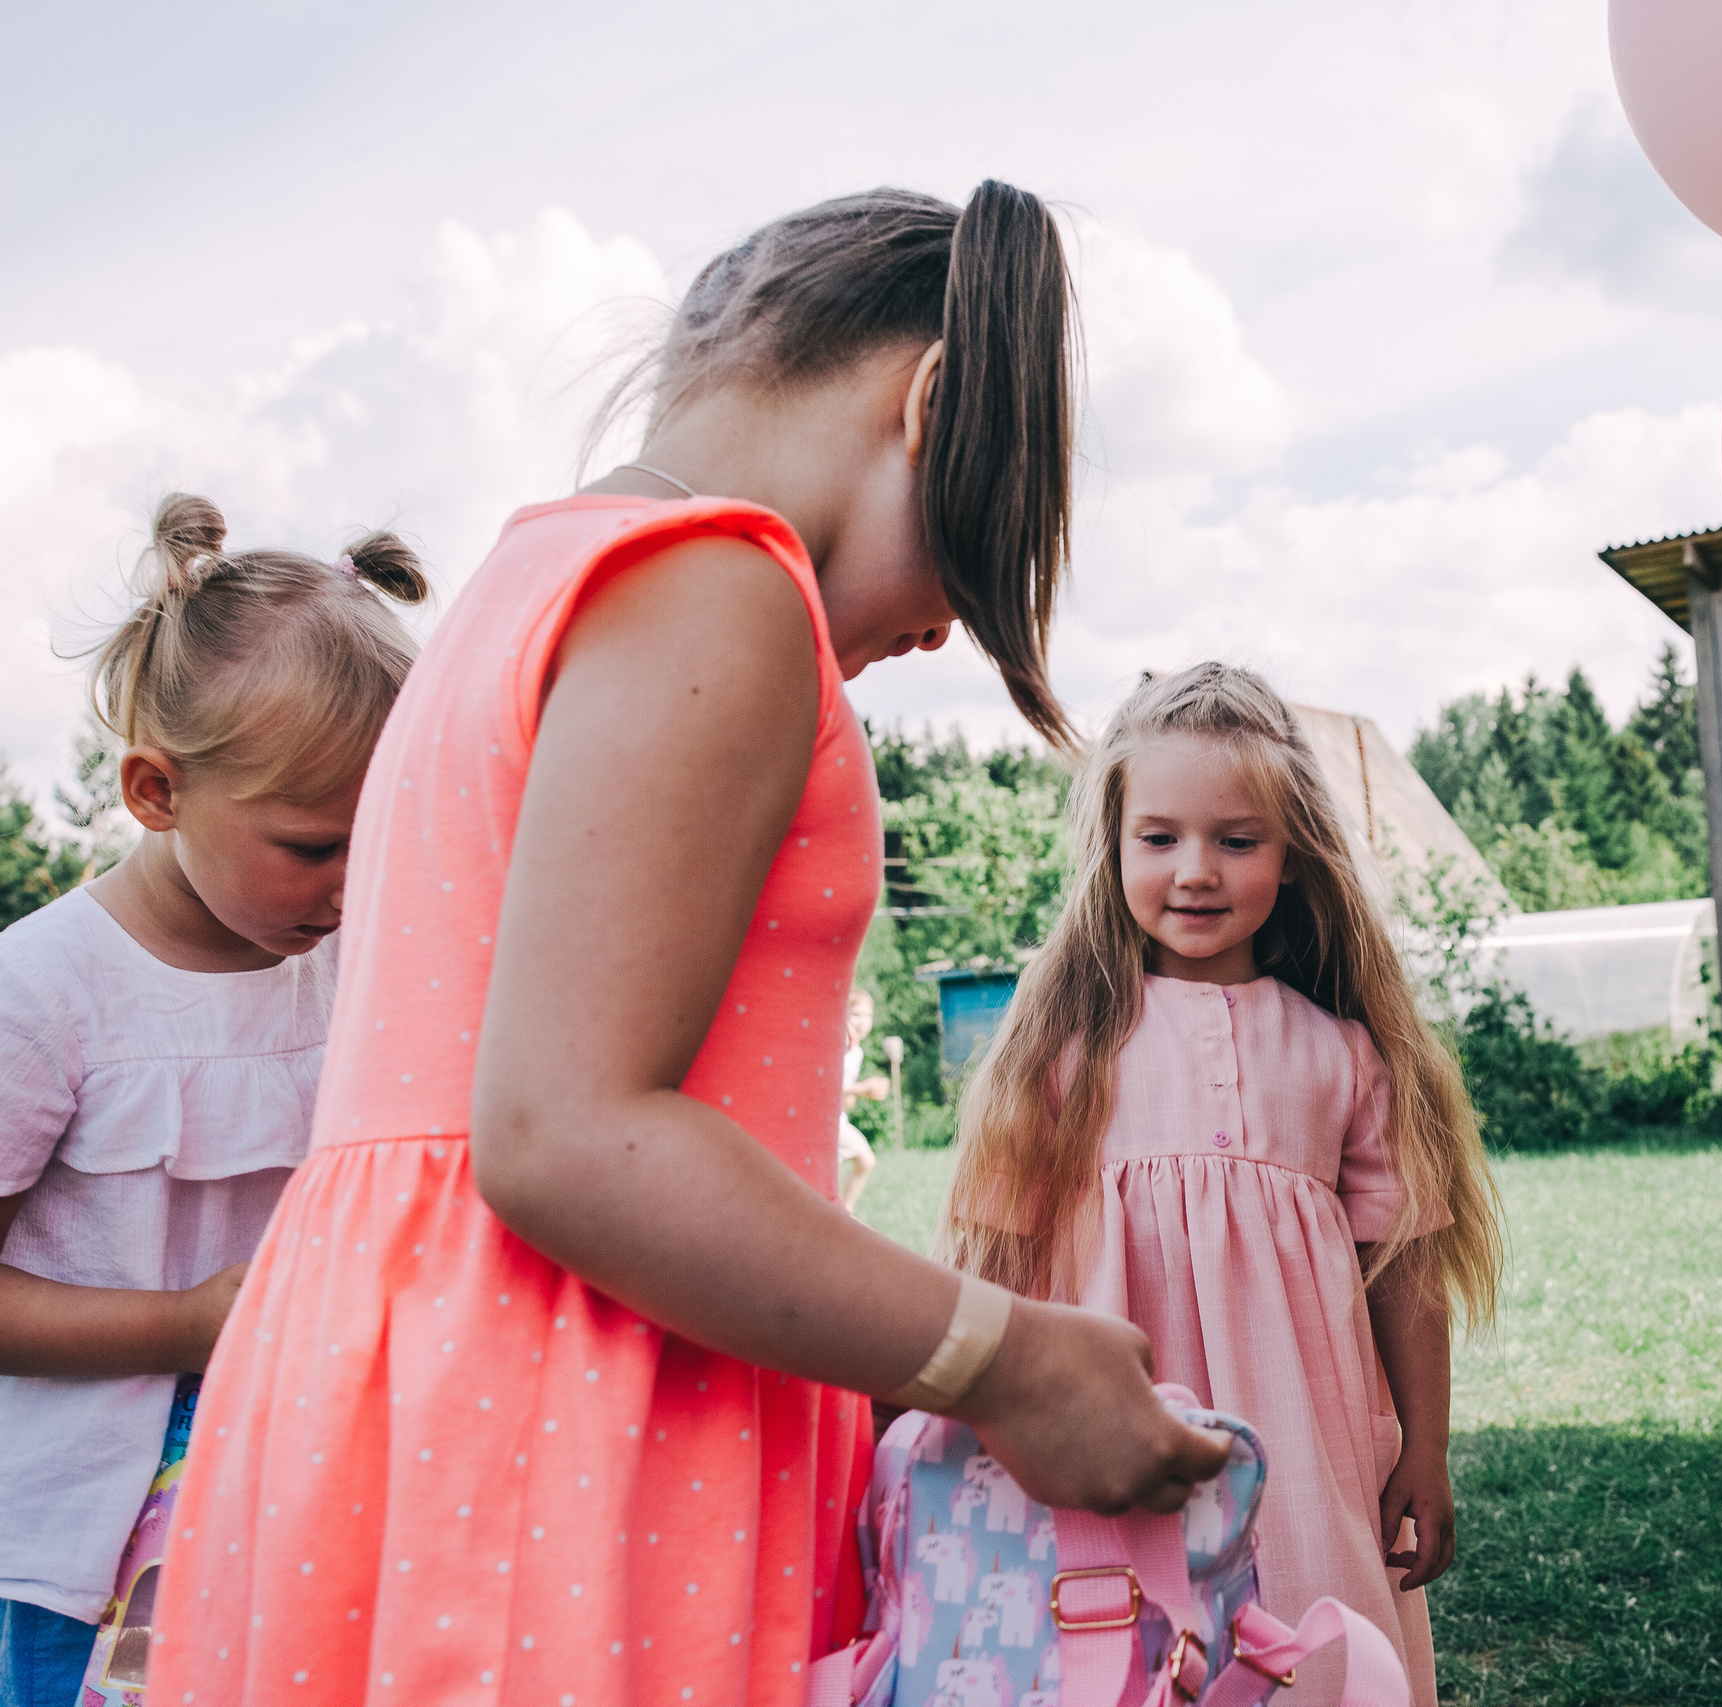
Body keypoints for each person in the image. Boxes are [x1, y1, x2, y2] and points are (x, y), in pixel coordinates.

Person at [153, 182, 1230, 1707]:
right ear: (927, 399)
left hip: (420, 1406)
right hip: (576, 1418)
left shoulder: (519, 582)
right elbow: (567, 1132)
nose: (938, 626)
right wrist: (1001, 1354)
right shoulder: (718, 586)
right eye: (970, 561)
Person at [944, 662, 1504, 1706]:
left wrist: (1425, 1447)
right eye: (1158, 838)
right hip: (1113, 1442)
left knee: (1311, 1648)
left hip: (1307, 1457)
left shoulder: (1345, 1056)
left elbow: (1405, 1263)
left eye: (1236, 840)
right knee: (1123, 1651)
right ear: (1113, 850)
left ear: (1293, 858)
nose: (1194, 870)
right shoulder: (1066, 1051)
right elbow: (991, 1252)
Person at [0, 495, 425, 1705]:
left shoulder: (367, 967)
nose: (354, 886)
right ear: (154, 791)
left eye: (382, 836)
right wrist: (186, 1324)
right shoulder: (45, 994)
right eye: (312, 846)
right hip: (75, 1574)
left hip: (314, 1517)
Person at [839, 988, 887, 1208]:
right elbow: (830, 1085)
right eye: (856, 1014)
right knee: (865, 1160)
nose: (862, 1022)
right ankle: (843, 1211)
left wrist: (850, 1097)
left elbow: (842, 1090)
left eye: (868, 1016)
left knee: (865, 1162)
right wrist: (862, 1089)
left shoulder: (856, 1052)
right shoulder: (838, 1045)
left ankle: (843, 1210)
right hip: (827, 1124)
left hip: (837, 1119)